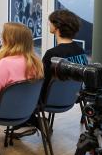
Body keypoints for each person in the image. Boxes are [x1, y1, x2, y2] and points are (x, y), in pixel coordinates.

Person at [12, 9, 89, 139]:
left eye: (50, 22)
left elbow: (41, 81)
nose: (48, 24)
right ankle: (30, 122)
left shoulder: (52, 54)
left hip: (48, 99)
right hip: (72, 97)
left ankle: (33, 122)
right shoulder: (80, 50)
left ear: (57, 26)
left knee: (16, 90)